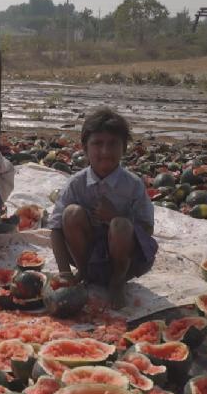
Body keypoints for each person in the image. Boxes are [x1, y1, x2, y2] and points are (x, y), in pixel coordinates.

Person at [50, 108, 157, 309]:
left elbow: (148, 228)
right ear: (84, 148)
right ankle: (83, 273)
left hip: (126, 261)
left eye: (113, 144)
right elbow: (55, 228)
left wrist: (115, 217)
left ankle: (117, 282)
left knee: (120, 225)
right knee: (71, 213)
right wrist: (64, 273)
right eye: (97, 144)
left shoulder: (133, 185)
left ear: (124, 148)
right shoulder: (76, 183)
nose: (105, 152)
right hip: (86, 255)